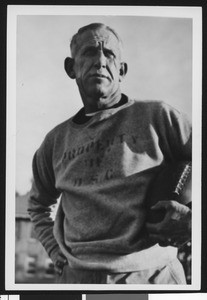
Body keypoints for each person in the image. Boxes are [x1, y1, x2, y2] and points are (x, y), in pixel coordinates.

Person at [28, 23, 192, 284]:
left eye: (110, 55)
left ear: (122, 70)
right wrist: (55, 250)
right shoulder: (54, 141)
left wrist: (194, 219)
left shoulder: (158, 117)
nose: (101, 62)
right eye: (90, 52)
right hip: (77, 278)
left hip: (153, 275)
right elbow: (37, 205)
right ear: (71, 68)